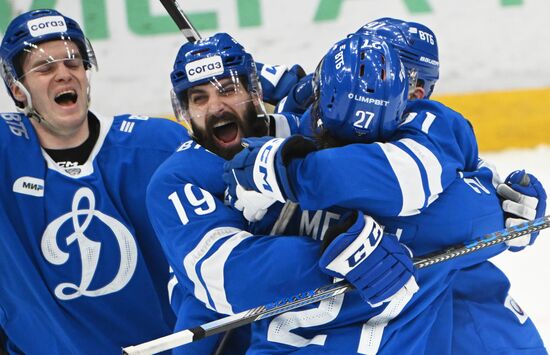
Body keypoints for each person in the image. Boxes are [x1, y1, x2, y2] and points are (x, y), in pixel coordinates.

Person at [223, 32, 547, 354]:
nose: (371, 74)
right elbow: (484, 213)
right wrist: (502, 209)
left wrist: (274, 164)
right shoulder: (438, 210)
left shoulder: (278, 184)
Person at [0, 9, 188, 353]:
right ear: (18, 90)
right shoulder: (4, 153)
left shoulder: (158, 146)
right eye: (44, 68)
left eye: (73, 62)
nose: (63, 74)